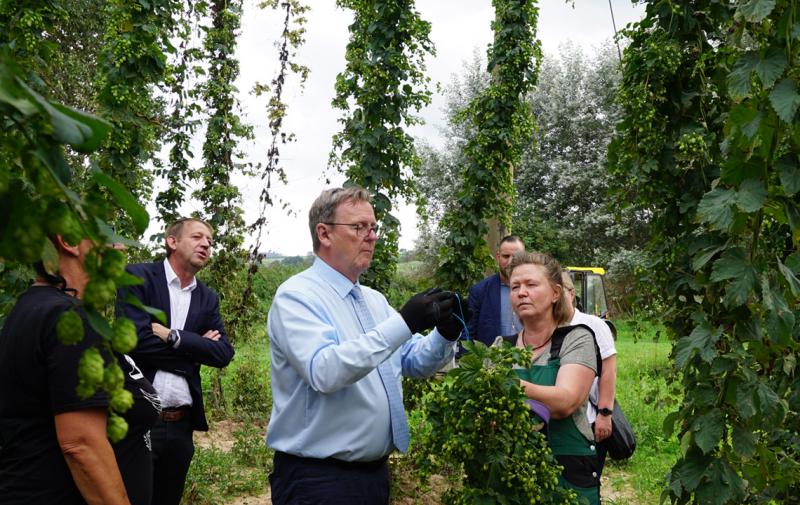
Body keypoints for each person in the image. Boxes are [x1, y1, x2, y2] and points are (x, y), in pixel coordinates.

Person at [267, 186, 462, 504]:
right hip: (317, 480)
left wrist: (446, 333)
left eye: (373, 228)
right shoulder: (298, 296)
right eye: (358, 227)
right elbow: (324, 371)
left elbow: (412, 362)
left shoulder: (374, 300)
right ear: (324, 234)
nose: (371, 236)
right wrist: (405, 322)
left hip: (373, 477)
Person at [0, 235, 159, 505]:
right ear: (70, 241)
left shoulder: (31, 308)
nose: (118, 249)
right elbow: (81, 445)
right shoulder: (69, 320)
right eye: (107, 240)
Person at [117, 218, 234, 505]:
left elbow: (223, 354)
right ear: (172, 242)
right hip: (140, 421)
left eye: (210, 240)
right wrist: (196, 349)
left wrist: (174, 336)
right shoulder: (138, 278)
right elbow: (134, 342)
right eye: (197, 237)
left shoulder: (207, 298)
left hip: (181, 425)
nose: (206, 244)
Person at [500, 251, 600, 504]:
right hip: (513, 468)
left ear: (556, 293)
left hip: (567, 470)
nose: (521, 292)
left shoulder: (577, 339)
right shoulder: (500, 347)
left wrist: (509, 387)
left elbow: (565, 402)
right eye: (515, 287)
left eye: (531, 285)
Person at [562, 271, 617, 476]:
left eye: (561, 293)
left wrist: (605, 414)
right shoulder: (547, 327)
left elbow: (609, 370)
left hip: (589, 419)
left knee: (587, 479)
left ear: (572, 293)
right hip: (559, 422)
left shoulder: (594, 325)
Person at [464, 235, 525, 346]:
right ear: (498, 257)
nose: (511, 261)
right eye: (506, 256)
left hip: (530, 357)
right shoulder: (480, 291)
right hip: (492, 360)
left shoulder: (536, 289)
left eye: (516, 256)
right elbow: (468, 333)